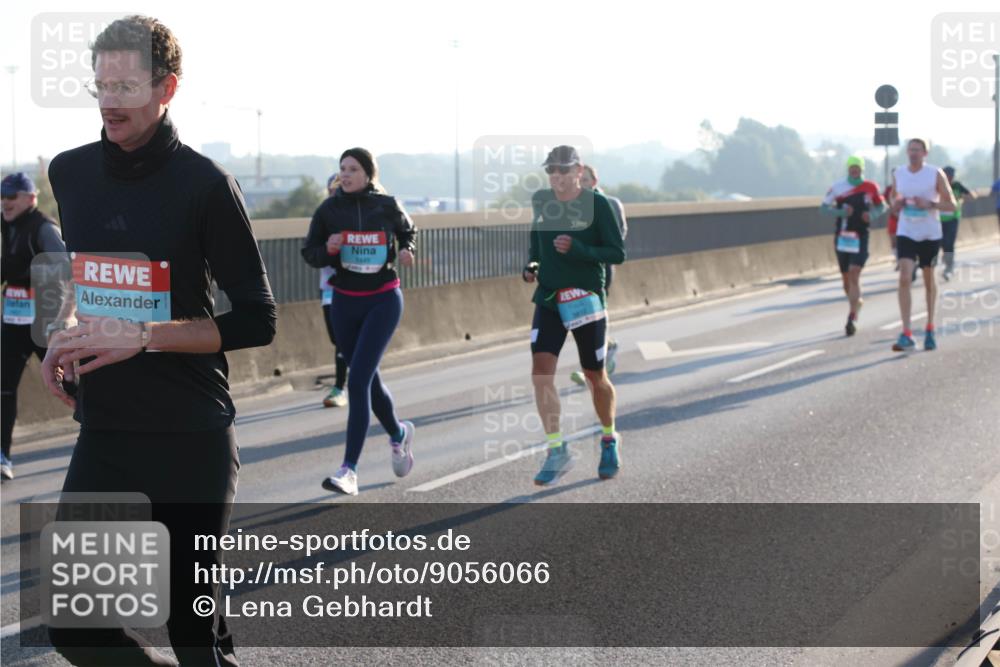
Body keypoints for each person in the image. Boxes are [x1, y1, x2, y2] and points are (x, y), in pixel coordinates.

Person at [41, 16, 276, 666]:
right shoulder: (70, 173)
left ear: (166, 87)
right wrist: (68, 336)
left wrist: (144, 335)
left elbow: (257, 319)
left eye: (127, 84)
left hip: (189, 439)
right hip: (107, 432)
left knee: (193, 637)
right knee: (75, 627)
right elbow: (98, 275)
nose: (111, 99)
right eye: (101, 85)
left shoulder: (205, 185)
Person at [303, 148, 417, 496]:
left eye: (353, 169)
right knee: (370, 379)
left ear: (369, 173)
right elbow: (310, 252)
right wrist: (330, 250)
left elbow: (408, 230)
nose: (346, 175)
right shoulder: (328, 210)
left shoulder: (386, 205)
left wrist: (406, 249)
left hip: (383, 300)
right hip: (344, 303)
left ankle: (348, 470)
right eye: (342, 169)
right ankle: (398, 434)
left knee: (358, 382)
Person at [523, 145, 626, 484]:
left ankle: (609, 438)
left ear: (579, 171)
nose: (557, 177)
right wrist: (532, 265)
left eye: (564, 171)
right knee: (541, 372)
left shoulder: (598, 205)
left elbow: (616, 252)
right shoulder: (542, 201)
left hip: (585, 299)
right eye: (552, 170)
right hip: (551, 299)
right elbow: (536, 243)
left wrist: (578, 249)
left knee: (594, 375)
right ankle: (557, 449)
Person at [1, 172, 67, 480]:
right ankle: (2, 455)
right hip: (13, 321)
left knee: (68, 384)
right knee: (3, 388)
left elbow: (66, 268)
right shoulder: (5, 227)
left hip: (43, 322)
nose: (5, 202)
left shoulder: (43, 228)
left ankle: (109, 443)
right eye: (2, 196)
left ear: (30, 198)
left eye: (12, 196)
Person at [888, 138, 957, 352]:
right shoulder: (899, 173)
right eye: (910, 150)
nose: (913, 153)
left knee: (929, 280)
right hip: (906, 231)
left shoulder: (935, 173)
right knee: (904, 277)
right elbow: (892, 199)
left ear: (925, 153)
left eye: (917, 150)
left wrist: (931, 204)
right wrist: (896, 204)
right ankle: (906, 332)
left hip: (929, 233)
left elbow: (952, 205)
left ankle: (929, 327)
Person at [570, 164, 627, 385]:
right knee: (581, 320)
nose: (581, 185)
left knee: (594, 316)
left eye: (585, 180)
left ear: (594, 181)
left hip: (601, 269)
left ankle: (593, 368)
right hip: (578, 270)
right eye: (578, 181)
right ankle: (608, 346)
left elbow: (619, 236)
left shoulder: (611, 204)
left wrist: (594, 252)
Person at [819, 156, 886, 336]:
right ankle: (856, 303)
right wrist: (841, 212)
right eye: (852, 167)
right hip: (842, 237)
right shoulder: (837, 187)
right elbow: (823, 208)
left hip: (861, 235)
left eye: (857, 167)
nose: (854, 170)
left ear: (862, 169)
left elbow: (882, 206)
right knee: (846, 279)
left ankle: (852, 316)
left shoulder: (870, 187)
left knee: (855, 272)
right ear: (848, 169)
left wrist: (871, 216)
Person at [316, 174, 348, 407]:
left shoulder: (356, 216)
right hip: (328, 289)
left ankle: (340, 387)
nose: (335, 194)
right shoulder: (323, 217)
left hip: (354, 289)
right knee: (337, 339)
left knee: (344, 341)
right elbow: (312, 252)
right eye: (331, 190)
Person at [939, 166, 975, 281]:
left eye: (951, 176)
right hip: (939, 218)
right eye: (947, 175)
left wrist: (961, 198)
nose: (949, 178)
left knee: (949, 242)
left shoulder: (957, 186)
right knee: (942, 242)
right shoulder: (938, 185)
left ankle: (949, 267)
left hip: (953, 218)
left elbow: (972, 196)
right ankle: (947, 258)